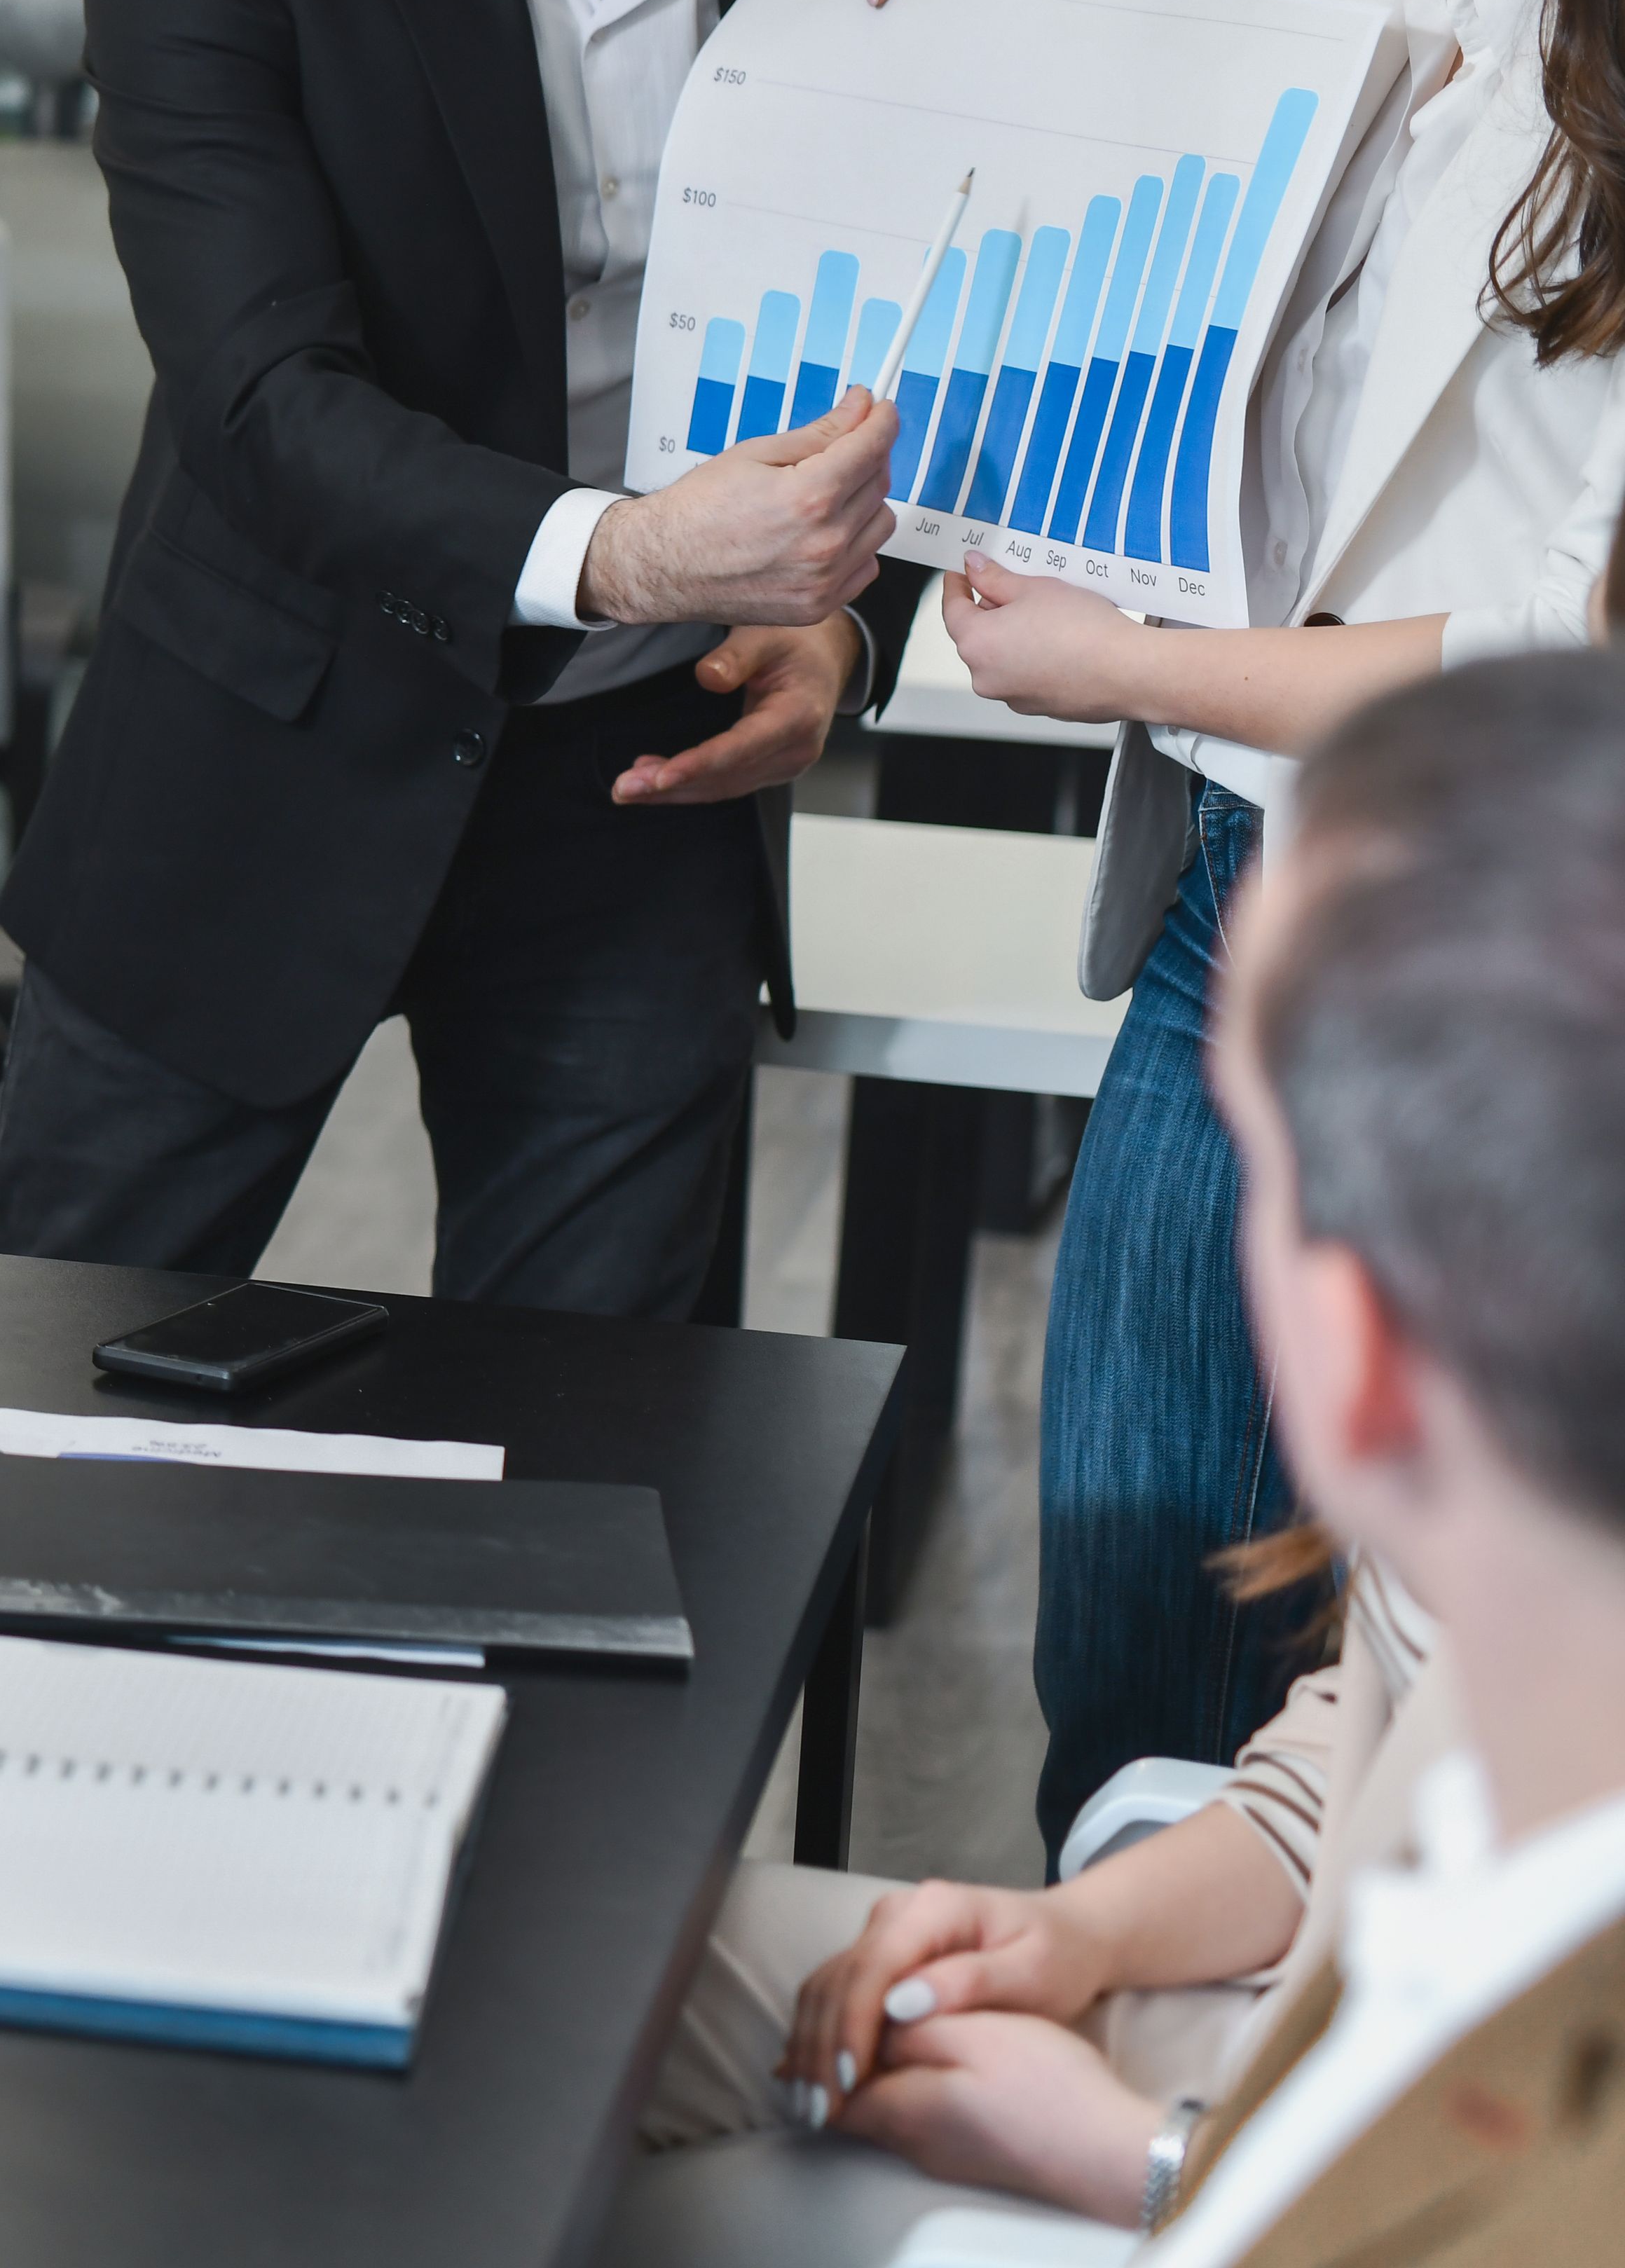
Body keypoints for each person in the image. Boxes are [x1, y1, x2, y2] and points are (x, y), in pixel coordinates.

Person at [0, 0, 949, 1315]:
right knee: (54, 1399)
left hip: (636, 787)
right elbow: (261, 401)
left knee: (590, 1469)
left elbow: (917, 328)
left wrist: (840, 629)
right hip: (265, 750)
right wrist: (647, 552)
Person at [868, 0, 1625, 1850]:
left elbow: (1567, 630)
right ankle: (1102, 2060)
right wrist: (1023, 55)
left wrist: (1129, 665)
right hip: (1244, 877)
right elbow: (1284, 329)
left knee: (1449, 1655)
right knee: (1144, 1609)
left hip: (1512, 948)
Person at [615, 648, 1625, 2261]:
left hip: (1261, 2139)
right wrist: (1066, 1936)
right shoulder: (1530, 1490)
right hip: (1281, 2044)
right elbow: (1331, 1778)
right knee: (597, 1981)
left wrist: (1144, 2164)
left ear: (1361, 1357)